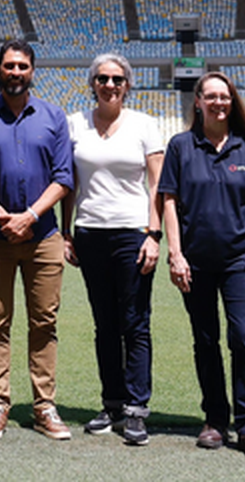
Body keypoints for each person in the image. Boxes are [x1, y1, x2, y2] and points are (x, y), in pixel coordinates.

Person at [158, 71, 245, 461]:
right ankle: (214, 420)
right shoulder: (180, 146)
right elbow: (169, 201)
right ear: (198, 102)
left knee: (243, 338)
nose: (218, 102)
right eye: (211, 96)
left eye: (224, 96)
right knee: (205, 341)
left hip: (241, 261)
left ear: (232, 100)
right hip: (196, 263)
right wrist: (175, 253)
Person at [0, 39, 74, 441]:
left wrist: (29, 216)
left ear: (32, 70)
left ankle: (44, 406)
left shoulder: (53, 116)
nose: (15, 72)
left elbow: (63, 178)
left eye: (22, 66)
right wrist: (2, 216)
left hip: (43, 235)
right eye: (9, 66)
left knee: (44, 321)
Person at [59, 52, 165, 447]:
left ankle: (137, 409)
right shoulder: (75, 125)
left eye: (117, 79)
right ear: (92, 83)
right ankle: (113, 403)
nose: (109, 85)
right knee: (104, 325)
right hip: (90, 234)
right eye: (102, 78)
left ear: (128, 84)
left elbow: (158, 184)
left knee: (134, 323)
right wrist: (66, 231)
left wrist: (154, 235)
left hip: (132, 234)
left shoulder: (144, 125)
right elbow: (68, 183)